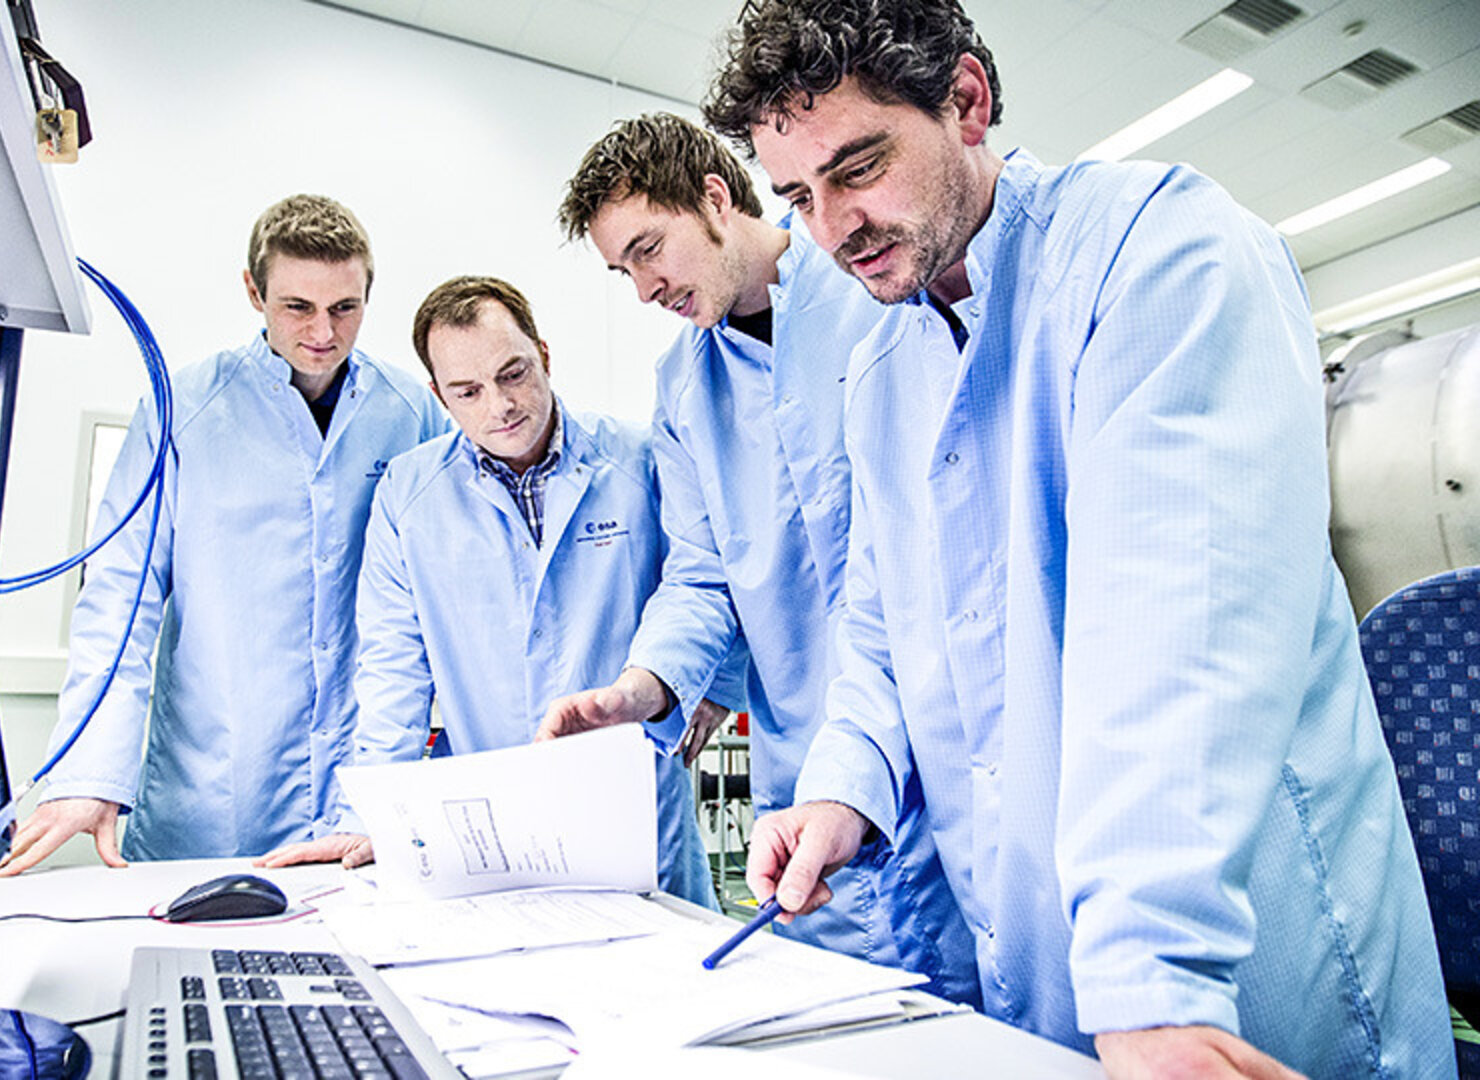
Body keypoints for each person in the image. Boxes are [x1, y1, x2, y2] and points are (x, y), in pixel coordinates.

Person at [703, 1, 1455, 1076]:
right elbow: (882, 623)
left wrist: (1151, 971)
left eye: (859, 167)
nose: (832, 229)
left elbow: (1179, 625)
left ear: (967, 101)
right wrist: (843, 783)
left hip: (1224, 949)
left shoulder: (1155, 253)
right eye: (799, 197)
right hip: (1043, 958)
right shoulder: (878, 369)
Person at [542, 113, 976, 1004]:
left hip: (954, 736)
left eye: (649, 249)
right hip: (809, 760)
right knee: (861, 1032)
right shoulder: (682, 389)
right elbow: (700, 573)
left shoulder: (876, 292)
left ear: (713, 198)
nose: (644, 287)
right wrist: (642, 687)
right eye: (623, 268)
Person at [0, 195, 451, 874]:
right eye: (298, 306)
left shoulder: (410, 410)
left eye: (345, 308)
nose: (324, 332)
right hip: (211, 800)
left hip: (362, 796)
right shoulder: (184, 408)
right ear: (253, 291)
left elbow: (444, 587)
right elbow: (120, 598)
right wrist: (90, 771)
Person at [258, 275, 720, 909]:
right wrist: (371, 817)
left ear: (545, 356)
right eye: (468, 391)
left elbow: (710, 576)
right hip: (490, 819)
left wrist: (713, 686)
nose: (499, 405)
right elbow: (394, 670)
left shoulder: (638, 461)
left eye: (514, 374)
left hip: (636, 806)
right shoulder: (408, 494)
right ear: (439, 397)